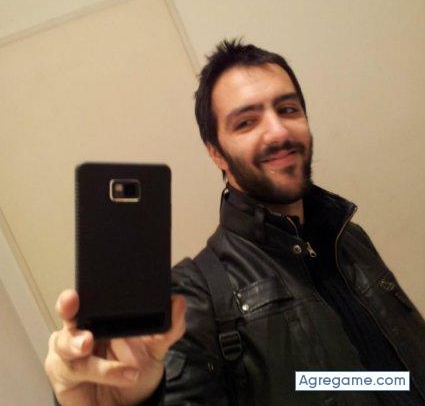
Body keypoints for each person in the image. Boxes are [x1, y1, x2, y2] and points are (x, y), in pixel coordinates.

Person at [45, 40, 425, 406]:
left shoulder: (348, 237)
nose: (278, 132)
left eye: (288, 109)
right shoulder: (194, 295)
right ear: (217, 154)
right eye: (246, 122)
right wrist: (135, 399)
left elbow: (376, 373)